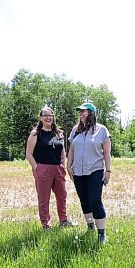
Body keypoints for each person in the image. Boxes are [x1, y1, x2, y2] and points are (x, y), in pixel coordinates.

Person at [67, 102, 111, 244]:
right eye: (79, 111)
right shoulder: (75, 130)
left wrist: (108, 170)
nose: (81, 114)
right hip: (78, 171)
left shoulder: (101, 130)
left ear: (91, 113)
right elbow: (72, 149)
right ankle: (90, 227)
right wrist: (69, 165)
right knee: (84, 200)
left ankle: (101, 234)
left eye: (83, 111)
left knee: (95, 200)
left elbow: (107, 152)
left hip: (95, 170)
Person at [26, 106, 75, 229]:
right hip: (43, 169)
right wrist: (36, 167)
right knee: (44, 198)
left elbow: (62, 150)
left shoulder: (58, 133)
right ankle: (46, 225)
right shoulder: (35, 133)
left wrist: (63, 164)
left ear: (53, 117)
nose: (48, 117)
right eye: (45, 115)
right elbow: (28, 154)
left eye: (50, 115)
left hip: (58, 169)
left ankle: (63, 221)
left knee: (62, 195)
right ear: (41, 118)